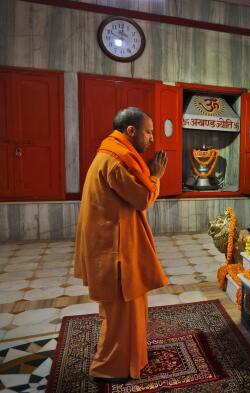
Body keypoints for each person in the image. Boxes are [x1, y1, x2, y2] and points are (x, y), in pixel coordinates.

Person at [74, 107, 169, 382]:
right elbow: (142, 199)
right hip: (114, 254)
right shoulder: (116, 161)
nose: (152, 138)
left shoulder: (114, 154)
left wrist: (149, 175)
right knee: (119, 317)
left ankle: (133, 357)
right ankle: (108, 368)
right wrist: (155, 177)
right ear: (131, 131)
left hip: (117, 248)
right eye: (148, 131)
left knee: (131, 311)